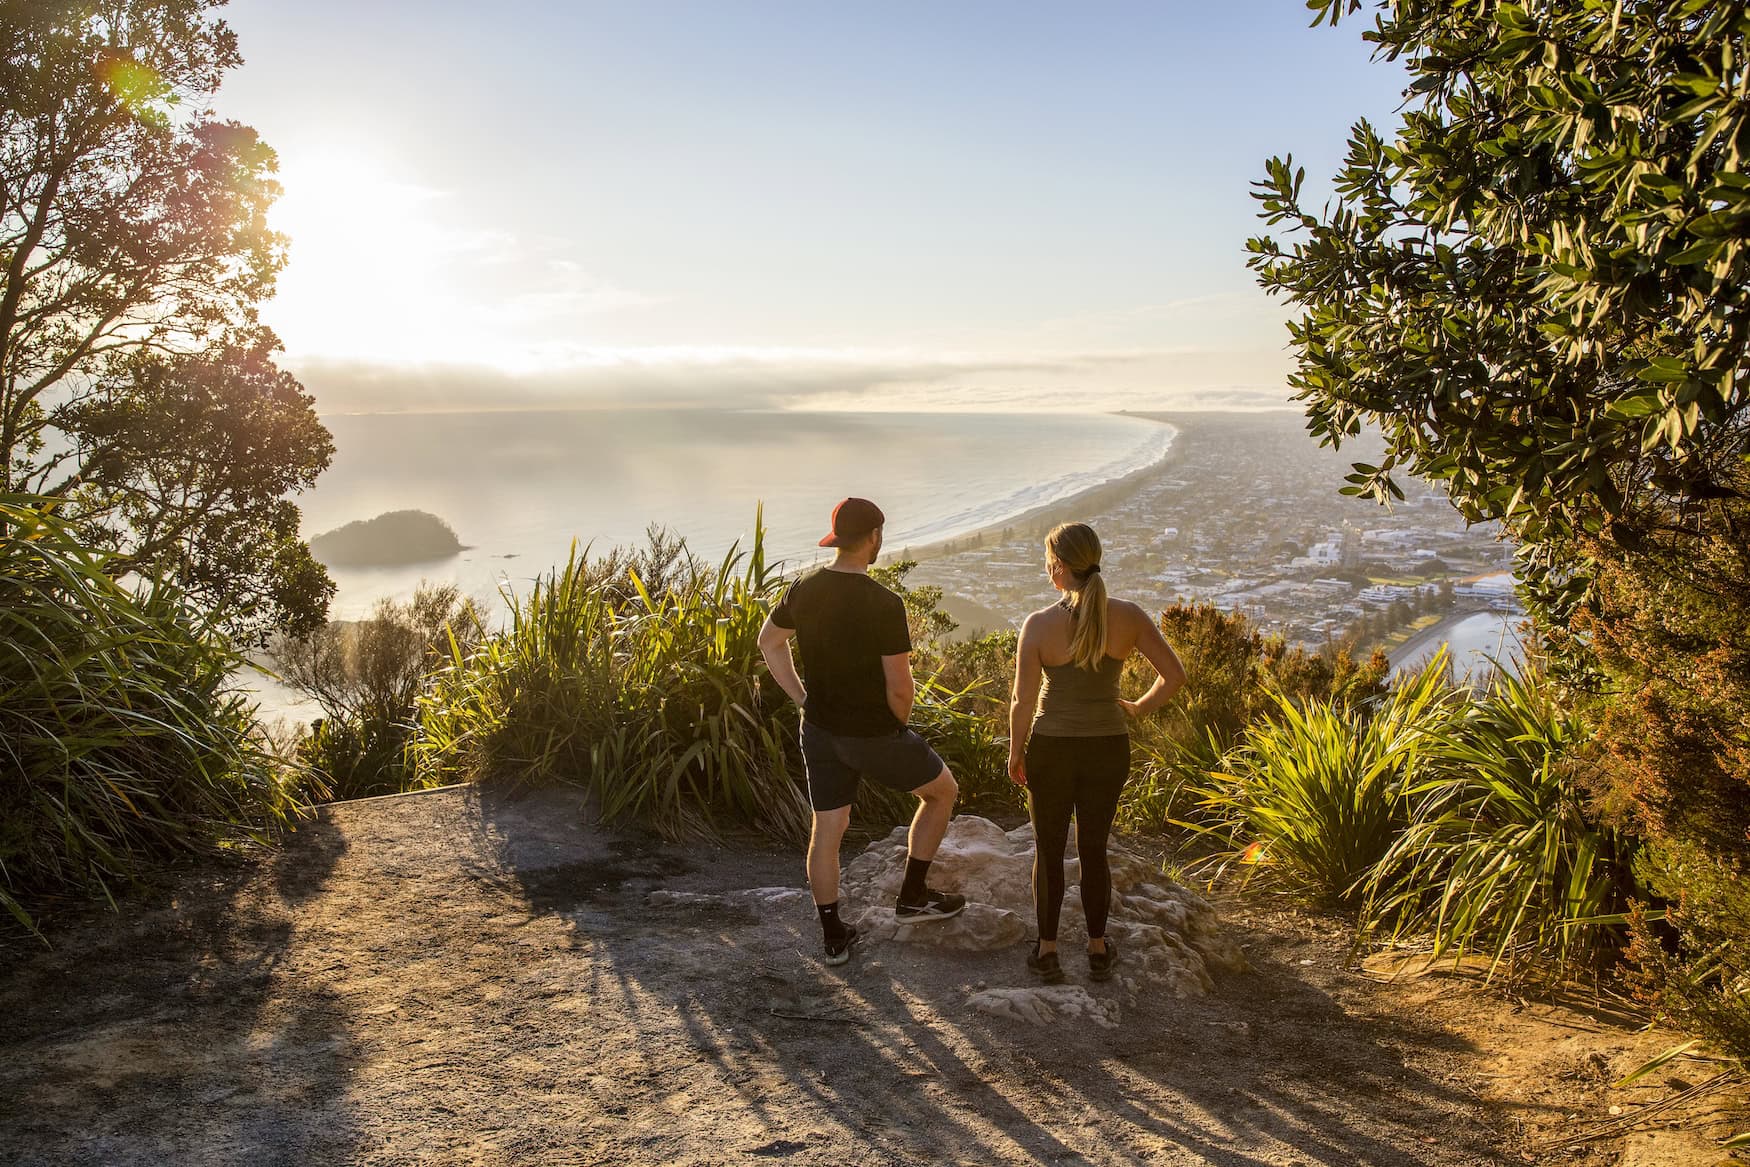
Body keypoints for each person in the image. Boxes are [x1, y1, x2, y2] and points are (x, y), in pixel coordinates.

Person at [759, 497, 967, 967]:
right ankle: (913, 898)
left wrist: (803, 699)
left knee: (828, 828)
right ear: (873, 538)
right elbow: (900, 685)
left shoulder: (803, 590)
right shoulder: (884, 603)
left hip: (819, 729)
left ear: (836, 538)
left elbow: (769, 643)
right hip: (872, 732)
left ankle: (834, 935)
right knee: (941, 793)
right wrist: (896, 727)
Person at [1008, 521, 1186, 984]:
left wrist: (1015, 751)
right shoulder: (1127, 616)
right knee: (1093, 848)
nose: (1049, 573)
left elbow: (1022, 701)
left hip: (1051, 748)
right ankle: (1098, 948)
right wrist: (1139, 707)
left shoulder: (1040, 625)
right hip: (1109, 747)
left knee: (1048, 851)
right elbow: (1174, 675)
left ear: (1062, 568)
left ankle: (1047, 952)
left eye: (1050, 565)